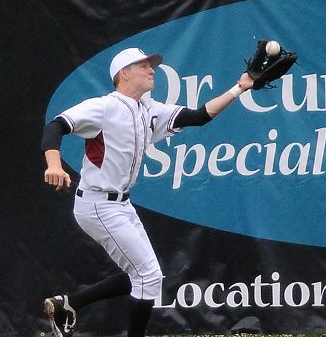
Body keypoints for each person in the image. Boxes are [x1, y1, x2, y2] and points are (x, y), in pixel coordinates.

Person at [41, 47, 254, 337]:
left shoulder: (149, 109)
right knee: (148, 276)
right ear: (123, 73)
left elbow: (200, 116)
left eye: (150, 65)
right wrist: (54, 164)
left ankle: (69, 304)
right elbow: (57, 126)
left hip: (121, 205)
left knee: (143, 276)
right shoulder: (105, 107)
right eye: (143, 66)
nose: (152, 69)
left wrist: (239, 88)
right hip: (97, 205)